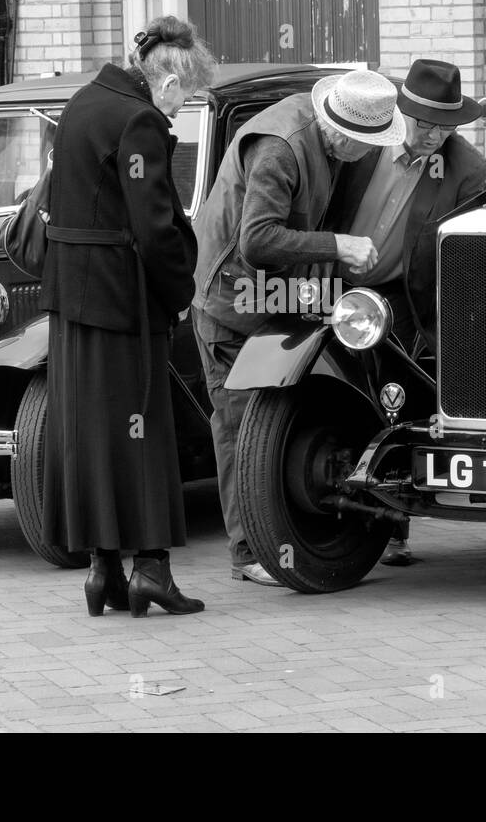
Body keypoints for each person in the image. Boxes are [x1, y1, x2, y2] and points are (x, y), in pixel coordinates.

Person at [191, 69, 406, 585]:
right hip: (228, 302)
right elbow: (258, 241)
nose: (374, 152)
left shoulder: (319, 136)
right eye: (369, 143)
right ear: (344, 135)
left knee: (268, 423)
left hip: (265, 296)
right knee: (240, 426)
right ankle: (249, 552)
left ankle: (272, 539)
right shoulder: (281, 149)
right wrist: (337, 246)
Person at [40, 15, 215, 617]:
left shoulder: (85, 101)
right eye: (185, 94)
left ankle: (102, 571)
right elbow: (155, 227)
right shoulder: (139, 120)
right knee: (143, 434)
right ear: (166, 80)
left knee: (92, 434)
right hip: (123, 302)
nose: (181, 106)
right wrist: (178, 291)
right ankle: (152, 571)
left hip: (72, 300)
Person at [329, 60, 486, 566]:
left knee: (390, 398)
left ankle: (392, 526)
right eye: (423, 124)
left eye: (445, 128)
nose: (432, 137)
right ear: (399, 111)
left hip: (400, 293)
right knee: (321, 390)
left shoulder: (467, 169)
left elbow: (461, 258)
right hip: (327, 276)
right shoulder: (365, 138)